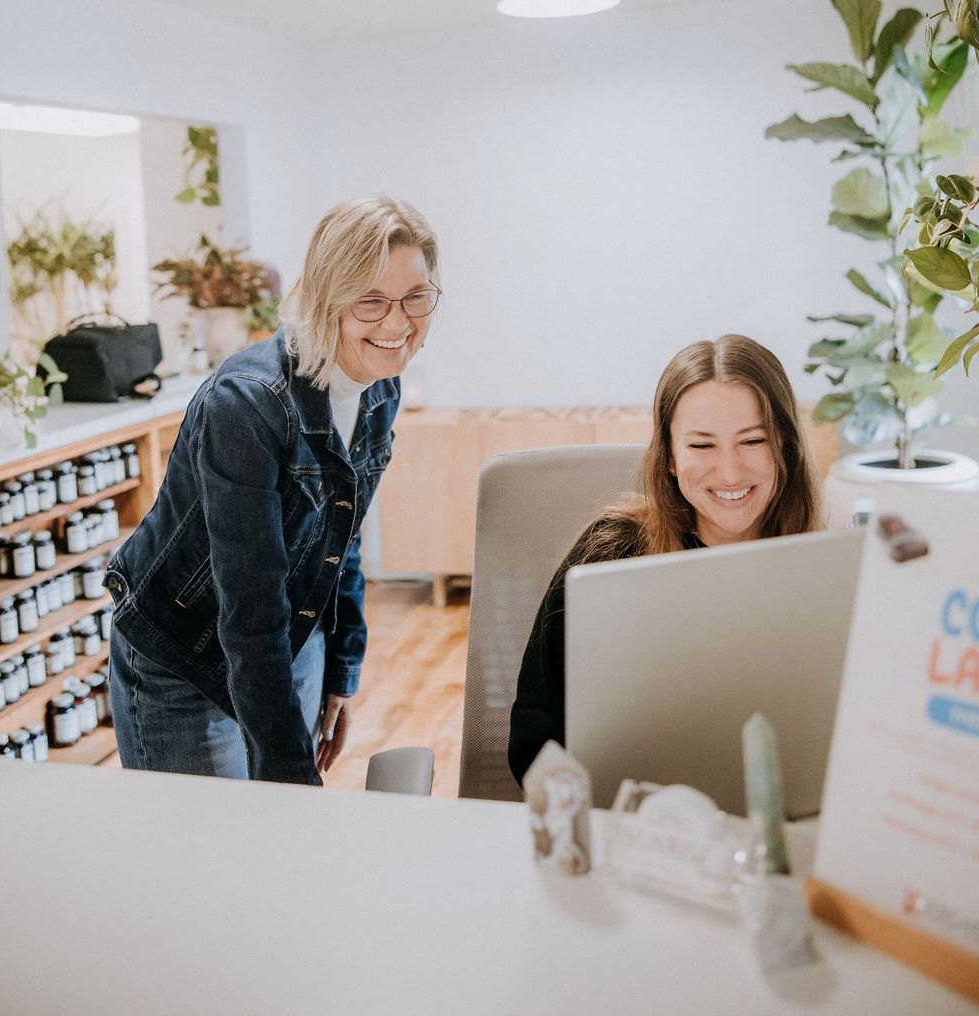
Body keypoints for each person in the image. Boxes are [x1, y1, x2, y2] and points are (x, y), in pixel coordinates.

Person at [106, 195, 440, 786]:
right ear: (324, 299)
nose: (397, 323)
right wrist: (288, 776)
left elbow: (343, 538)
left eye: (415, 296)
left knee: (273, 845)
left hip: (290, 635)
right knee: (211, 854)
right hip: (182, 653)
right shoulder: (247, 405)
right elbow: (250, 603)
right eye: (370, 300)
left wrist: (342, 668)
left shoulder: (379, 387)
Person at [507, 334, 821, 786]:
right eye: (701, 446)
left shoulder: (819, 571)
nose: (730, 472)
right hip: (631, 825)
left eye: (753, 441)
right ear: (670, 457)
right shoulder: (611, 555)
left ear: (786, 447)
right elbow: (535, 733)